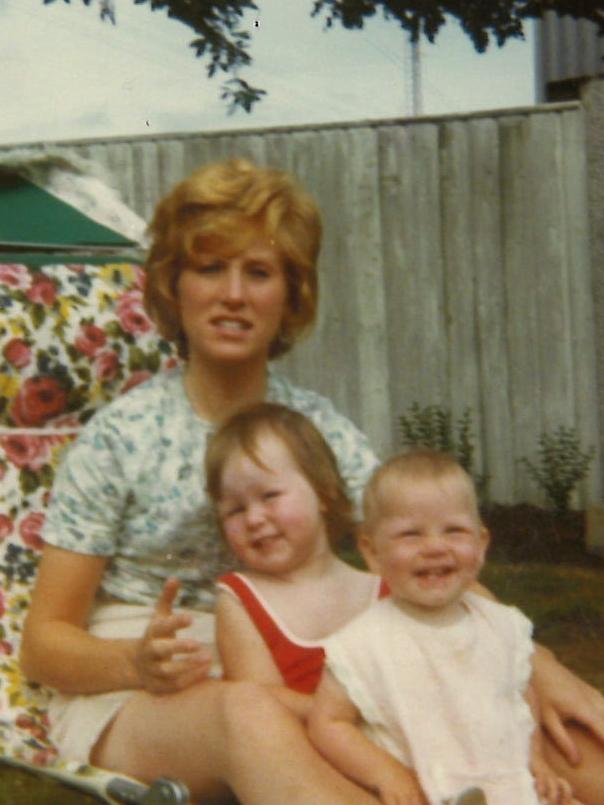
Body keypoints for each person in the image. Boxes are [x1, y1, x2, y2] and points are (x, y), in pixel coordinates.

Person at [17, 157, 604, 803]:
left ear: (291, 296)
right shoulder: (119, 439)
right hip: (143, 691)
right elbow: (44, 645)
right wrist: (136, 661)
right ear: (172, 286)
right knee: (252, 714)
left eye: (259, 272)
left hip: (303, 670)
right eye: (211, 267)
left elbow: (421, 545)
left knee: (575, 742)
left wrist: (537, 667)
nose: (234, 293)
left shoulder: (316, 428)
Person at [308, 451, 599, 805]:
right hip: (430, 793)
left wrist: (534, 761)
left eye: (455, 531)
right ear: (372, 552)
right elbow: (328, 723)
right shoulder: (364, 642)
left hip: (512, 791)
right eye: (410, 534)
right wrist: (385, 773)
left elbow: (519, 699)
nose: (434, 547)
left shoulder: (501, 625)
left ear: (480, 546)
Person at [206, 402, 388, 721]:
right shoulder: (240, 598)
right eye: (235, 510)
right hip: (297, 754)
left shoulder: (382, 590)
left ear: (324, 493)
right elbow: (261, 704)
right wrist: (351, 720)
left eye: (270, 496)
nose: (254, 519)